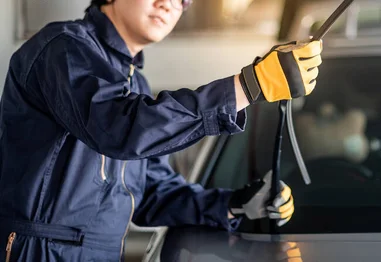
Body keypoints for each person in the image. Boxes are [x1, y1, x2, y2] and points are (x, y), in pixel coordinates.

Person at [0, 0, 322, 261]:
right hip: (39, 252)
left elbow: (153, 193)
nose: (170, 4)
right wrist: (247, 86)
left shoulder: (133, 83)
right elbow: (120, 127)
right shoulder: (63, 49)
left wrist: (235, 204)